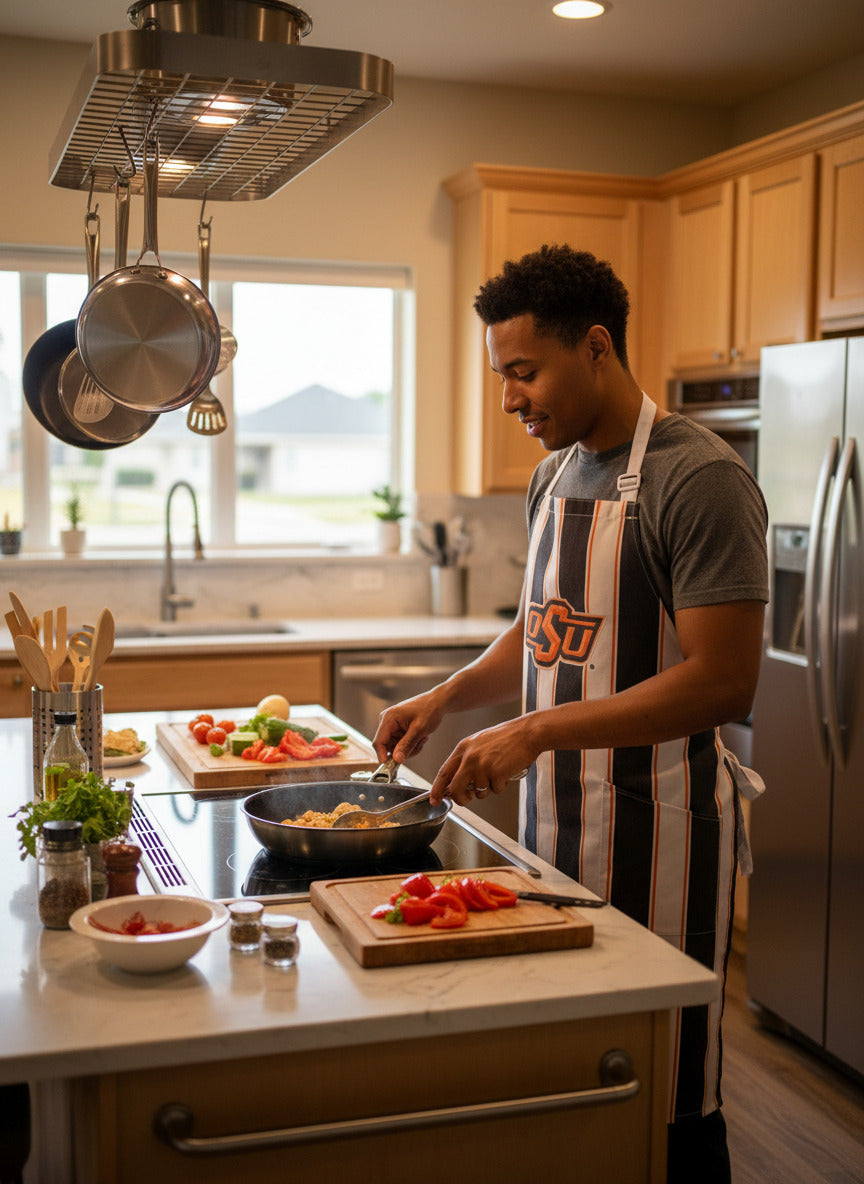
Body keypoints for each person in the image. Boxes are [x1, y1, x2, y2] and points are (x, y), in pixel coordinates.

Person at [374, 244, 768, 1183]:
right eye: (501, 374)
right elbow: (542, 633)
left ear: (596, 348)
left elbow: (725, 683)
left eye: (524, 371)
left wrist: (537, 729)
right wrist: (448, 695)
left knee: (667, 1094)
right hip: (554, 830)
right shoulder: (557, 476)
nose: (510, 398)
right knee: (574, 1083)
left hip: (659, 838)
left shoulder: (696, 479)